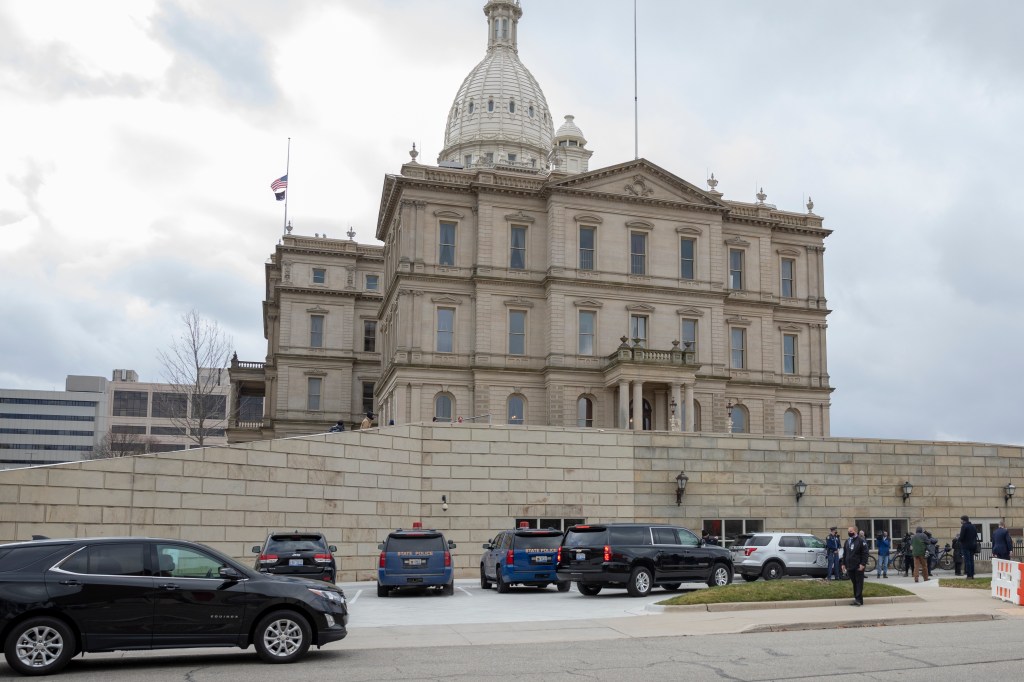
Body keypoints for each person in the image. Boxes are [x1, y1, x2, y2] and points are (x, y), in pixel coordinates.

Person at [844, 526, 869, 606]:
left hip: (858, 566)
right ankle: (857, 599)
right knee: (855, 583)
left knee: (859, 583)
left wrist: (863, 564)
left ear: (855, 531)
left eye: (851, 531)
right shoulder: (847, 541)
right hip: (850, 566)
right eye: (848, 531)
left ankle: (858, 599)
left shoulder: (861, 541)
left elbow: (865, 553)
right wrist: (843, 564)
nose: (849, 533)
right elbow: (845, 553)